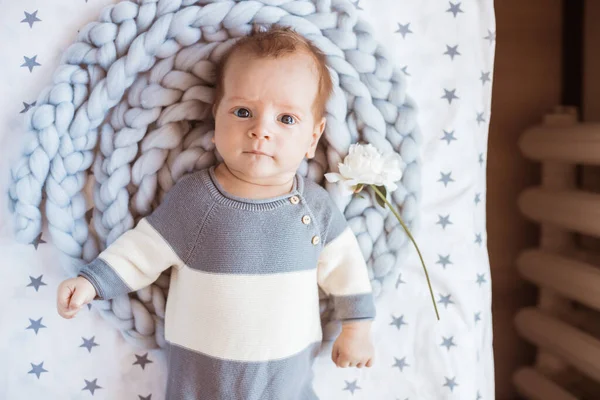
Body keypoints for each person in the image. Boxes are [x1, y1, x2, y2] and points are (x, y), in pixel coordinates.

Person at [56, 25, 376, 400]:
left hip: (287, 384)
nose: (260, 131)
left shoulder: (315, 207)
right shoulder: (196, 199)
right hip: (200, 382)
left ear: (313, 138)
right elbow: (143, 250)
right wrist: (93, 282)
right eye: (243, 112)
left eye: (286, 119)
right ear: (216, 121)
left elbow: (347, 269)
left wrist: (357, 328)